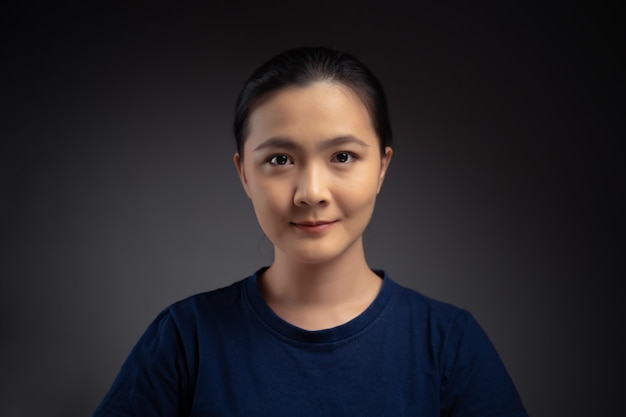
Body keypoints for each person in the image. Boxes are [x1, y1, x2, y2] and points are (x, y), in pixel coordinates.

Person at [93, 46, 528, 417]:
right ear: (244, 174)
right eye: (280, 160)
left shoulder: (449, 342)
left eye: (342, 156)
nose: (311, 193)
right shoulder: (186, 338)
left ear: (382, 167)